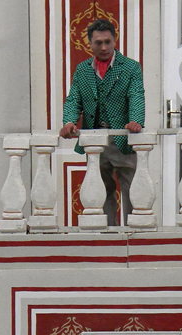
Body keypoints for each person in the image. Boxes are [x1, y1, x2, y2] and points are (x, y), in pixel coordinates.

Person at [59, 18, 145, 228]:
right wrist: (69, 121)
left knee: (132, 189)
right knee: (101, 190)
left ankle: (133, 233)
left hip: (123, 138)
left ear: (115, 40)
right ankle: (107, 234)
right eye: (98, 43)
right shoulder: (83, 70)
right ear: (90, 44)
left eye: (108, 42)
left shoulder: (130, 67)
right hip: (95, 140)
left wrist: (136, 120)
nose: (104, 47)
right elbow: (74, 99)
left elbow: (136, 95)